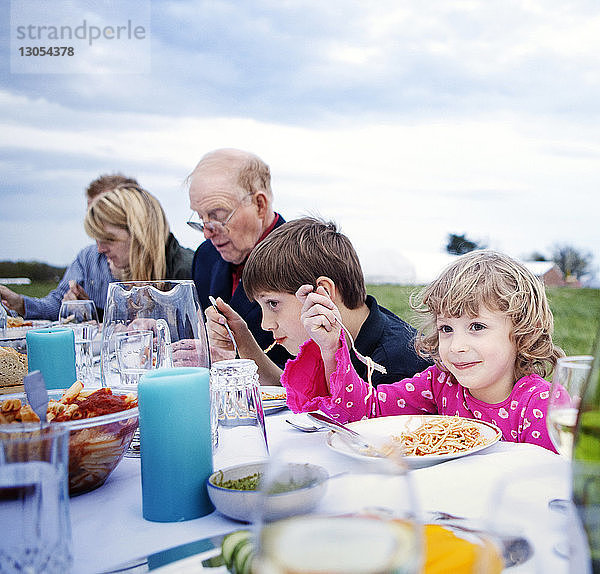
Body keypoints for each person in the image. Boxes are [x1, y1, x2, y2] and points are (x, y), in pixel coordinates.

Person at [284, 250, 565, 452]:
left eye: (477, 327)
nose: (457, 346)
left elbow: (548, 485)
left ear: (523, 331)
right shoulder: (440, 385)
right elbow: (365, 411)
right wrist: (331, 347)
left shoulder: (541, 405)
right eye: (446, 329)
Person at [207, 217, 431, 386]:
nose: (266, 324)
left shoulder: (394, 369)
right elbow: (286, 391)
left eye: (273, 304)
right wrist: (242, 338)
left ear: (322, 292)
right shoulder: (336, 336)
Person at [187, 148, 291, 369]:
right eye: (200, 217)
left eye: (219, 216)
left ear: (259, 205)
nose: (207, 232)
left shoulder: (303, 258)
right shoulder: (206, 257)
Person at [0, 173, 138, 321]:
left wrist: (91, 312)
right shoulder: (87, 258)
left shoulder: (160, 259)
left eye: (102, 212)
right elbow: (58, 303)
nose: (94, 221)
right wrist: (20, 304)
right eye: (91, 214)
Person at [84, 185, 193, 282]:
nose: (100, 249)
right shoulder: (143, 273)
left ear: (139, 233)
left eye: (109, 239)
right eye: (97, 240)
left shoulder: (189, 273)